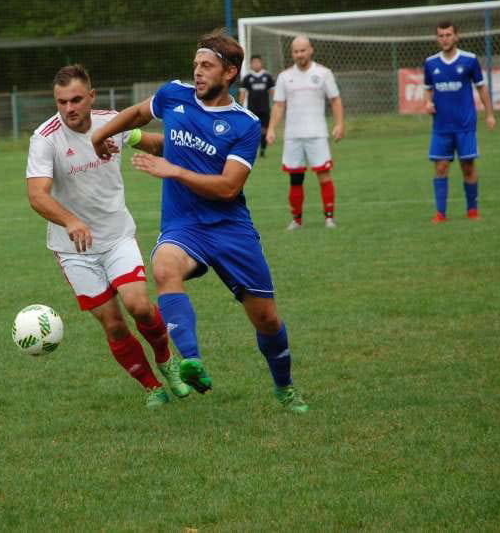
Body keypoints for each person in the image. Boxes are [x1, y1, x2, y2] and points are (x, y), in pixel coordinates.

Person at [91, 30, 308, 412]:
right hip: (183, 225)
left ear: (229, 73)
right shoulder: (174, 95)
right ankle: (191, 360)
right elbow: (139, 113)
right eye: (196, 65)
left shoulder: (244, 124)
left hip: (230, 230)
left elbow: (227, 187)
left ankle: (285, 386)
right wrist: (102, 135)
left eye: (206, 66)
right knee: (163, 267)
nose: (198, 72)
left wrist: (172, 171)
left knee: (267, 320)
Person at [25, 64, 190, 409]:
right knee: (114, 325)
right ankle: (151, 387)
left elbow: (152, 142)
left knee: (139, 306)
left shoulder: (110, 123)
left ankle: (167, 361)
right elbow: (37, 195)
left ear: (91, 97)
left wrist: (190, 145)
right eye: (61, 102)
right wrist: (70, 221)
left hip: (116, 237)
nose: (69, 108)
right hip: (74, 250)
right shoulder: (45, 138)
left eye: (75, 100)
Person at [266, 36, 344, 230]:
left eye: (303, 50)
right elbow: (278, 105)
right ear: (292, 53)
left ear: (311, 50)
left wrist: (339, 124)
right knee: (295, 179)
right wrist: (271, 128)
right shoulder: (285, 77)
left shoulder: (324, 73)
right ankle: (296, 220)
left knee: (324, 175)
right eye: (296, 51)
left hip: (317, 133)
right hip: (293, 136)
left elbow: (335, 100)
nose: (299, 54)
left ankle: (329, 218)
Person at [424, 20, 496, 223]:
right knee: (440, 167)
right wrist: (428, 103)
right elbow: (428, 89)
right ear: (437, 38)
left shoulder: (470, 60)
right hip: (441, 126)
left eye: (448, 35)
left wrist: (489, 114)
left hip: (465, 125)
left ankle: (472, 210)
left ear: (456, 36)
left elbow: (481, 88)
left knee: (468, 167)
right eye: (441, 35)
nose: (445, 39)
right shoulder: (431, 63)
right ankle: (440, 214)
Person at [238, 55, 274, 157]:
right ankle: (252, 149)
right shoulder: (247, 78)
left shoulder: (267, 76)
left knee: (264, 129)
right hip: (252, 108)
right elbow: (243, 93)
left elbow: (273, 92)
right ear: (251, 64)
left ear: (261, 63)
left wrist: (276, 104)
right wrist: (240, 106)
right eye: (254, 62)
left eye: (258, 62)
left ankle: (262, 150)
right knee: (253, 130)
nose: (256, 64)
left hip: (265, 108)